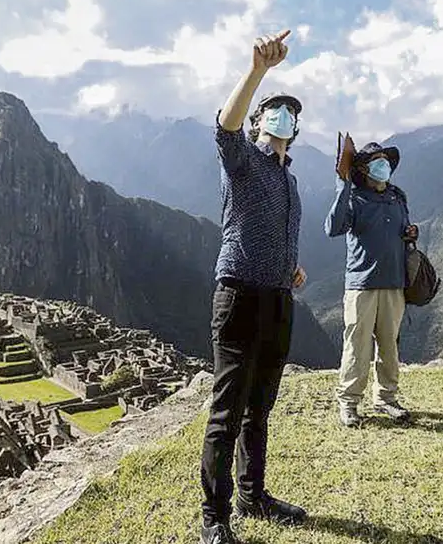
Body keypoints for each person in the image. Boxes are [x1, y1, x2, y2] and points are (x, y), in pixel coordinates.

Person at [199, 29, 308, 544]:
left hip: (279, 298)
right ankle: (215, 519)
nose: (282, 118)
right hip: (239, 294)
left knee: (260, 407)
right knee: (227, 411)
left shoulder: (289, 179)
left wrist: (293, 265)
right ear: (260, 121)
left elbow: (275, 230)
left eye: (290, 114)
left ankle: (252, 494)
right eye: (274, 111)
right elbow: (224, 128)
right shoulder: (244, 160)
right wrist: (258, 71)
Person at [325, 135, 418, 428]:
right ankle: (349, 403)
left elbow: (402, 230)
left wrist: (410, 233)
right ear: (364, 169)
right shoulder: (354, 199)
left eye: (385, 161)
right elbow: (333, 228)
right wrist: (343, 186)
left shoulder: (397, 197)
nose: (384, 165)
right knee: (357, 345)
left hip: (393, 282)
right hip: (361, 284)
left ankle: (387, 398)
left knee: (389, 344)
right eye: (377, 161)